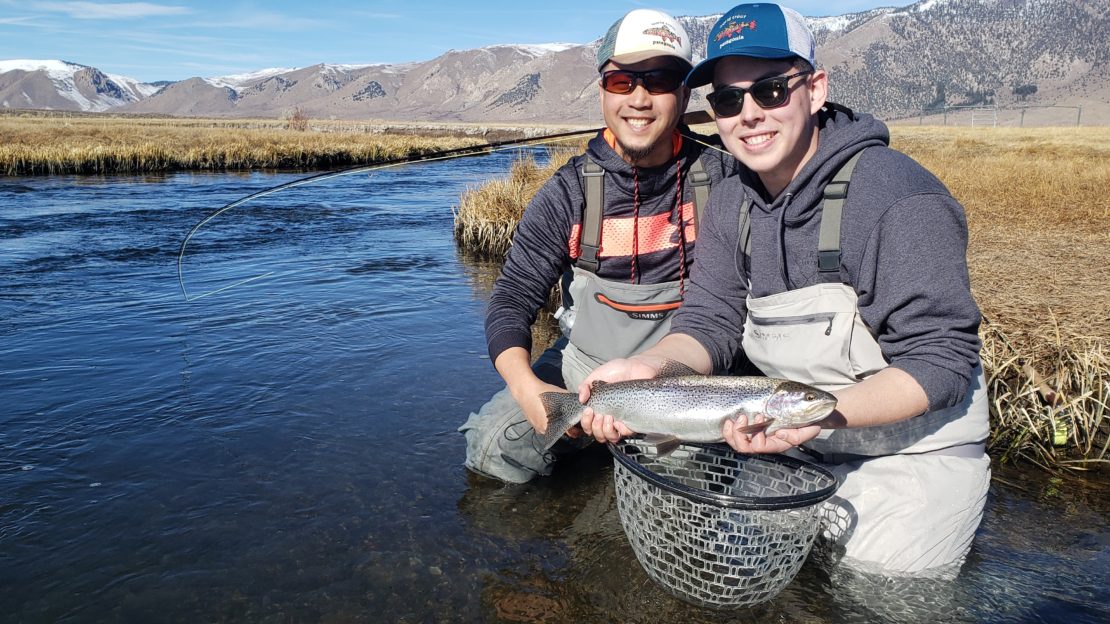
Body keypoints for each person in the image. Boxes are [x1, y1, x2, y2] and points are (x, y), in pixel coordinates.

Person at [579, 2, 990, 576]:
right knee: (742, 567)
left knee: (879, 596)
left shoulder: (897, 197)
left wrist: (820, 415)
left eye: (770, 91)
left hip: (912, 450)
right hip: (790, 439)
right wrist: (649, 367)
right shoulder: (731, 202)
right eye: (727, 99)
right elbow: (710, 322)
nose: (748, 114)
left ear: (816, 89)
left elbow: (942, 361)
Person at [459, 8, 736, 484]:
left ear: (685, 93)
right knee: (491, 450)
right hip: (581, 366)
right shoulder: (567, 193)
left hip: (687, 379)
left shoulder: (724, 178)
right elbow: (510, 300)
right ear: (603, 91)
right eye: (622, 82)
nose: (641, 99)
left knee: (687, 476)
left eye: (661, 79)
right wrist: (529, 391)